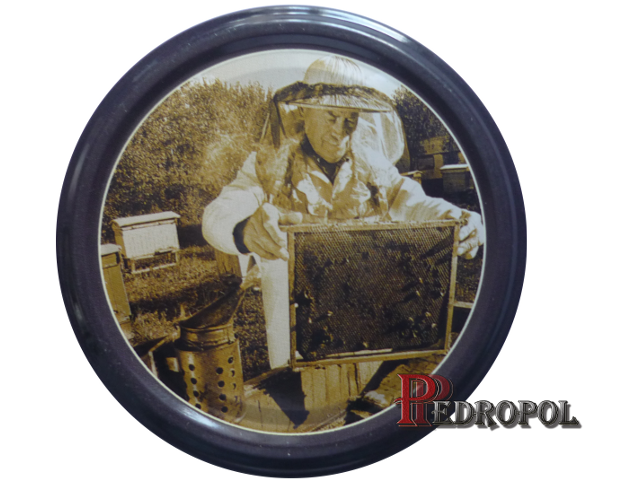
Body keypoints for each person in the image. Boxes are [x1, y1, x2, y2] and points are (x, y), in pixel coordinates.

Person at [203, 56, 484, 369]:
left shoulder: (373, 165)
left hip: (370, 319)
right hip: (295, 333)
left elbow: (414, 201)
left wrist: (460, 219)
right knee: (300, 395)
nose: (340, 131)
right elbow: (220, 212)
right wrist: (242, 229)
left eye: (350, 119)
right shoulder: (269, 164)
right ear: (304, 112)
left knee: (370, 390)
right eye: (331, 116)